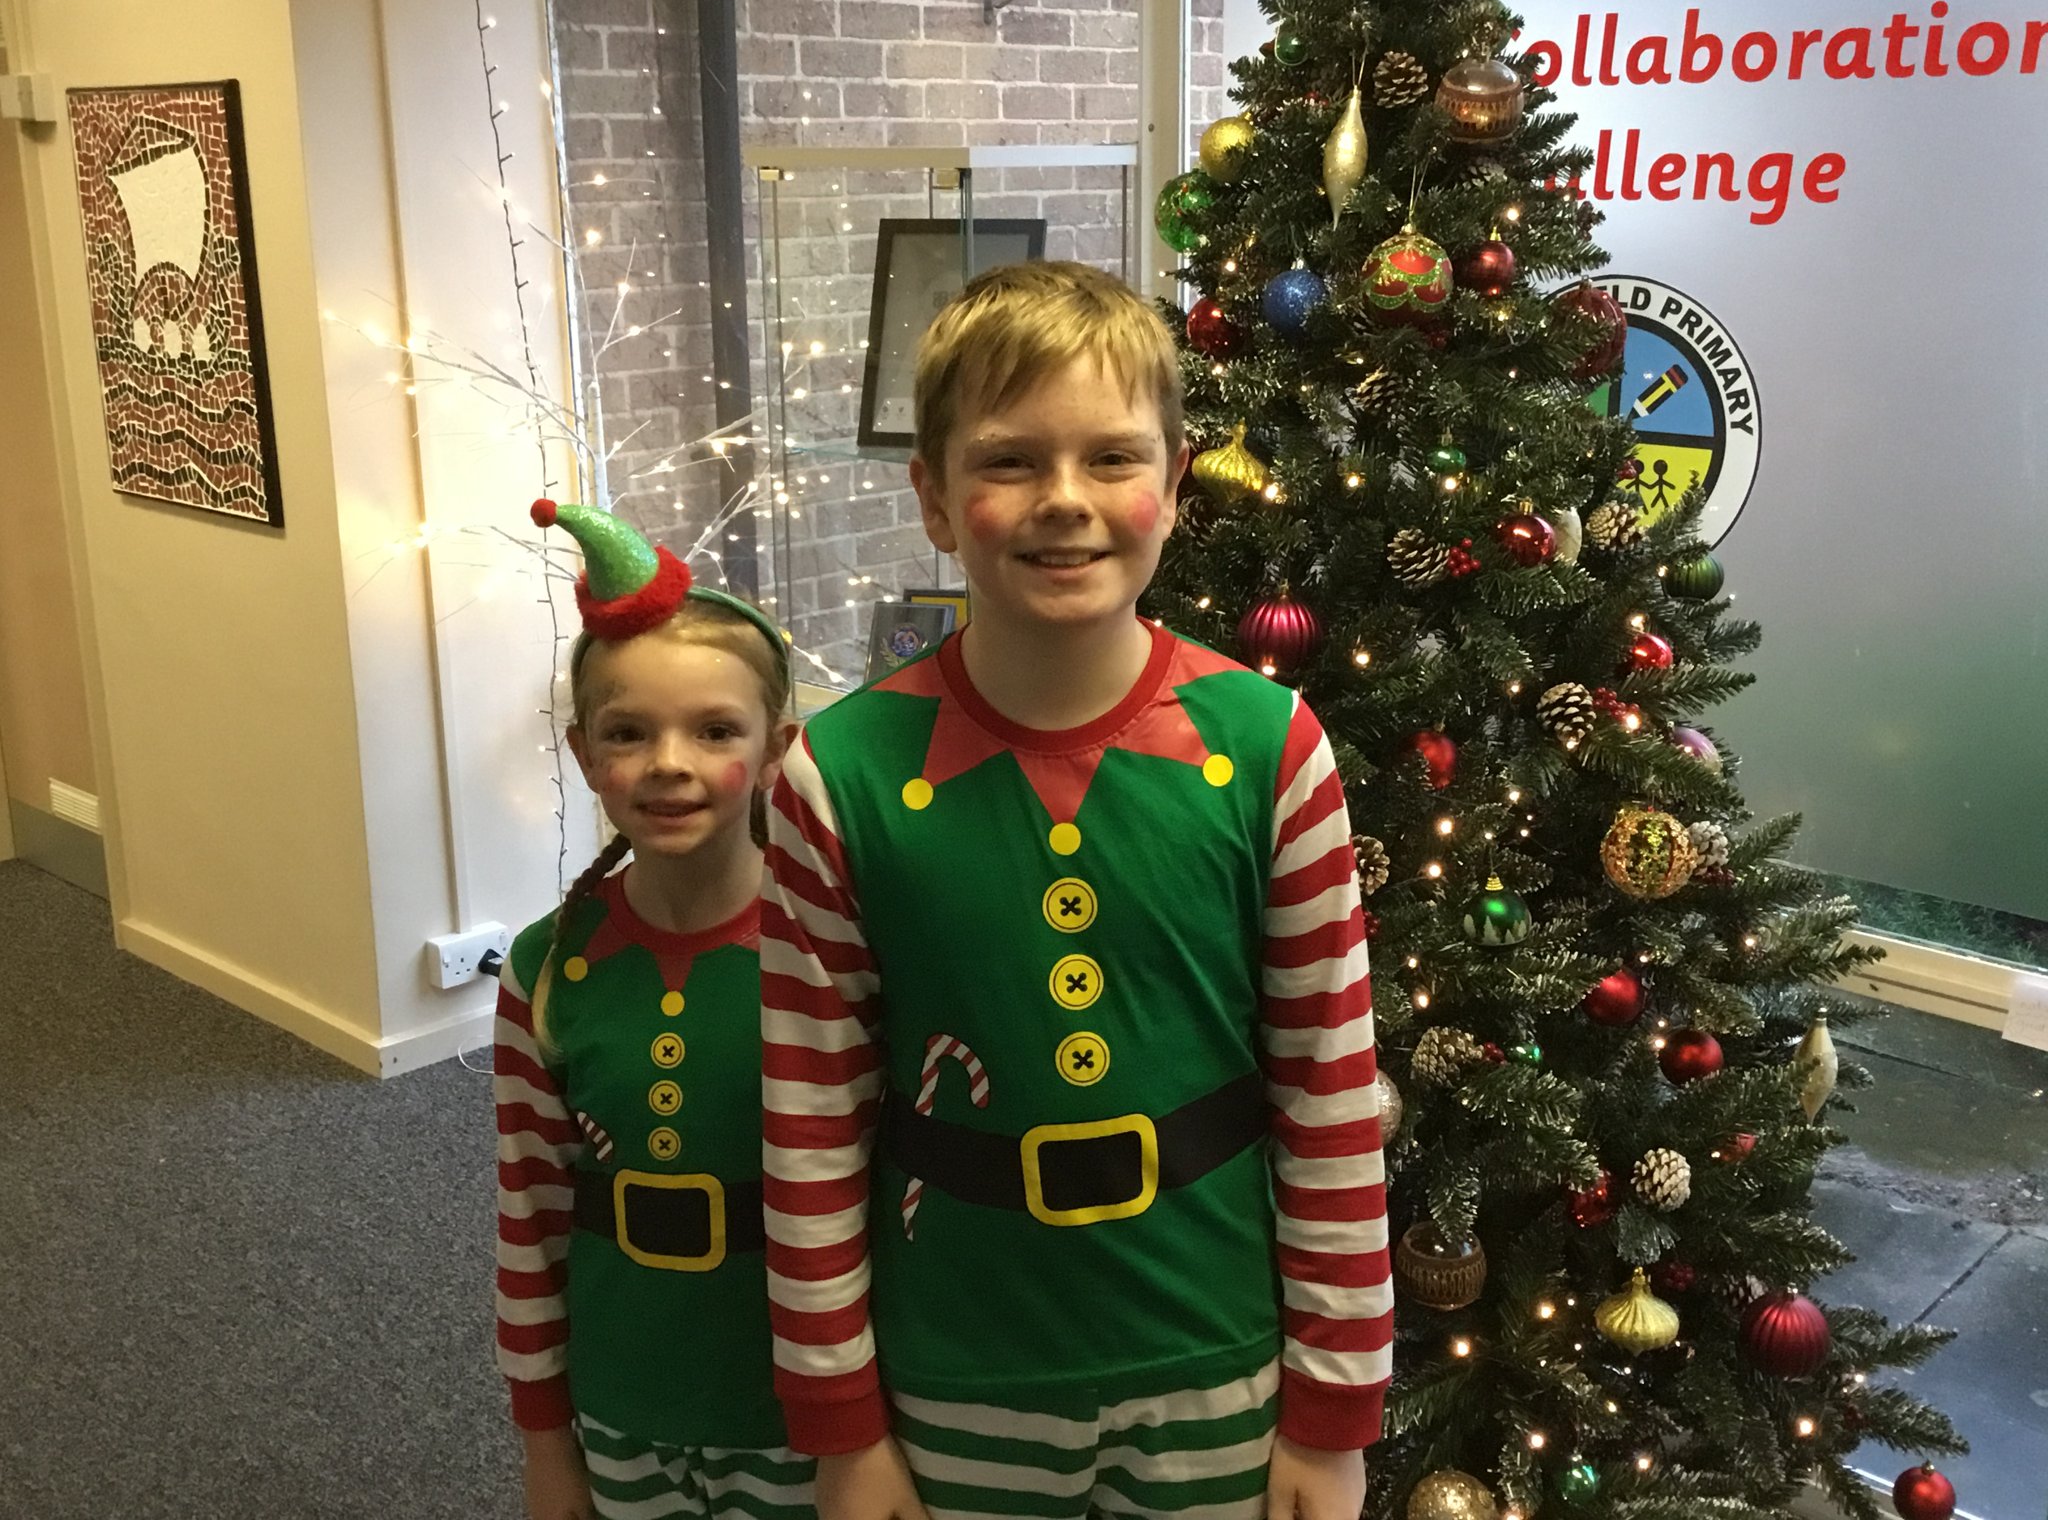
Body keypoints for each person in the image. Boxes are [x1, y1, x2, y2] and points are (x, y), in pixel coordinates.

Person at [761, 261, 1392, 1520]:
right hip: (954, 1371)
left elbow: (1326, 1093)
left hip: (1215, 1361)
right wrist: (841, 1426)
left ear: (1172, 483)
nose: (1065, 503)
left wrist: (1330, 1416)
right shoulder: (836, 775)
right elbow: (809, 1117)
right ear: (933, 499)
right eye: (1006, 463)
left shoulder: (1270, 749)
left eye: (1111, 458)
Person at [494, 498, 811, 1520]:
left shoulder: (830, 948)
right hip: (623, 1401)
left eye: (713, 729)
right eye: (629, 733)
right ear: (587, 755)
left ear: (774, 750)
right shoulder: (550, 966)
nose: (668, 762)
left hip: (803, 1409)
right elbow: (530, 1217)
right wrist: (547, 1446)